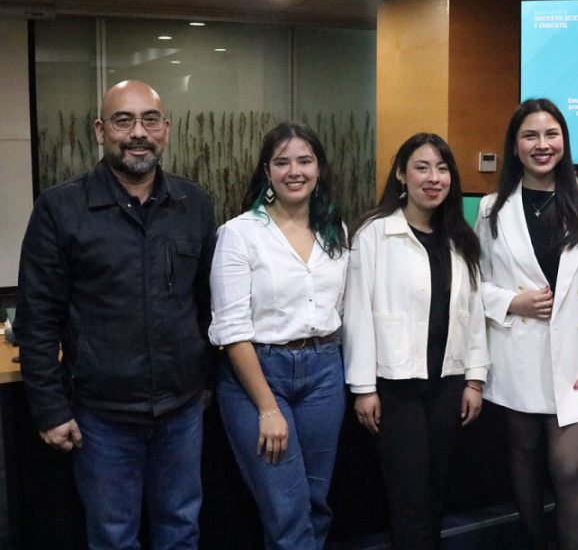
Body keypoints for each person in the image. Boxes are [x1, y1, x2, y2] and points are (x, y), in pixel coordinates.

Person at [15, 80, 216, 549]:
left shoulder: (195, 204)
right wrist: (49, 409)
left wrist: (206, 379)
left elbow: (208, 304)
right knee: (112, 536)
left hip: (182, 410)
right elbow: (37, 318)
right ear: (101, 130)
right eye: (124, 121)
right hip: (101, 416)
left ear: (166, 129)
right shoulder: (61, 209)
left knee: (182, 529)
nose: (138, 132)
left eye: (149, 120)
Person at [476, 98, 578, 550]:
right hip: (518, 353)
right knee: (522, 455)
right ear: (515, 146)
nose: (542, 145)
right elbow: (476, 284)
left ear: (564, 141)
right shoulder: (491, 208)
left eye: (551, 134)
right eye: (530, 136)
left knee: (568, 467)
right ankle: (535, 540)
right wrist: (512, 301)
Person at [343, 132, 489, 550]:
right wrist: (364, 388)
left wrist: (474, 379)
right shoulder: (374, 234)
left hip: (447, 382)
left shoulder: (460, 237)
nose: (433, 178)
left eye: (442, 169)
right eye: (422, 167)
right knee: (408, 491)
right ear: (401, 175)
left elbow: (473, 313)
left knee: (436, 487)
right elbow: (357, 314)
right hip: (395, 386)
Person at [209, 123, 348, 550]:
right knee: (286, 511)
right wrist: (268, 408)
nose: (294, 171)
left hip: (325, 372)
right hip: (259, 377)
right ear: (266, 171)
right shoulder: (240, 234)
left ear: (319, 169)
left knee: (315, 503)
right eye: (282, 161)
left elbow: (340, 312)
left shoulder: (335, 230)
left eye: (304, 161)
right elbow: (232, 330)